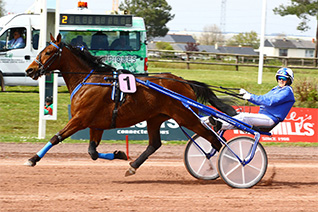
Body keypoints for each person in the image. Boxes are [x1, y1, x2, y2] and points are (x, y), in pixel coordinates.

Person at [207, 67, 295, 131]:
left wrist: (250, 97)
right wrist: (247, 95)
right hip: (263, 116)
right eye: (279, 78)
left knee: (243, 117)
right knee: (237, 115)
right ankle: (209, 122)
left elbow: (269, 101)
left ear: (289, 81)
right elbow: (263, 98)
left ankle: (220, 125)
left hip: (270, 119)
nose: (281, 80)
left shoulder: (287, 91)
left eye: (284, 79)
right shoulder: (276, 89)